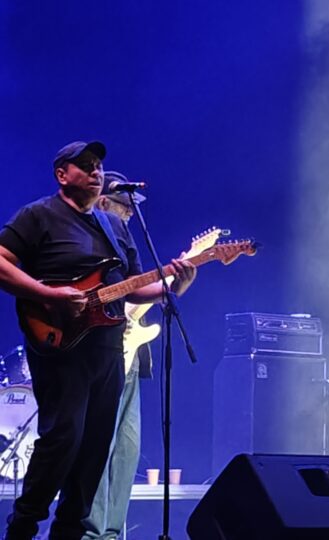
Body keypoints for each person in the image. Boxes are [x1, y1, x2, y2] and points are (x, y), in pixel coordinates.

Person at [0, 141, 196, 540]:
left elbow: (131, 288)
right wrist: (48, 294)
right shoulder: (38, 215)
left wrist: (173, 286)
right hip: (60, 344)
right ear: (62, 174)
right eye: (86, 165)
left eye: (99, 166)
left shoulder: (115, 226)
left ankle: (69, 533)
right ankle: (22, 527)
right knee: (63, 438)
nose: (96, 171)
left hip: (107, 348)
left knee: (95, 448)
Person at [82, 171, 151, 540]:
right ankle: (91, 533)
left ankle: (111, 533)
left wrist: (176, 283)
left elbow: (136, 291)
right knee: (99, 445)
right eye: (125, 206)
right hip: (99, 352)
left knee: (128, 449)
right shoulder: (86, 236)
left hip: (129, 354)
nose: (129, 214)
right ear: (104, 201)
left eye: (132, 208)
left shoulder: (125, 241)